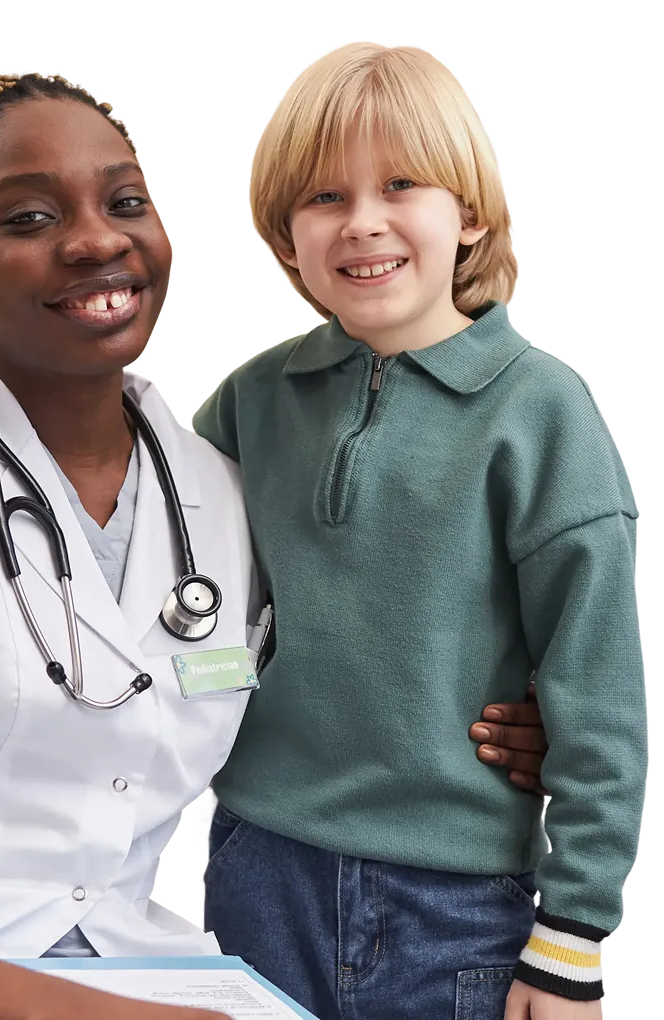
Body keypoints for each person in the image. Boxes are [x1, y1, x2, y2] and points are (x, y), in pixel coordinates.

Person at [0, 71, 551, 1020]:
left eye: (125, 202)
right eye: (29, 217)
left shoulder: (215, 487)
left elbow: (338, 669)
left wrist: (490, 725)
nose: (95, 239)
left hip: (135, 959)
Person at [194, 42, 645, 1020]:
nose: (361, 222)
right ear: (284, 234)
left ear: (469, 211)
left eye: (400, 184)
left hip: (462, 899)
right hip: (257, 864)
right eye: (321, 198)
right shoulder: (249, 402)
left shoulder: (542, 414)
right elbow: (178, 604)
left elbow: (599, 691)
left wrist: (573, 936)